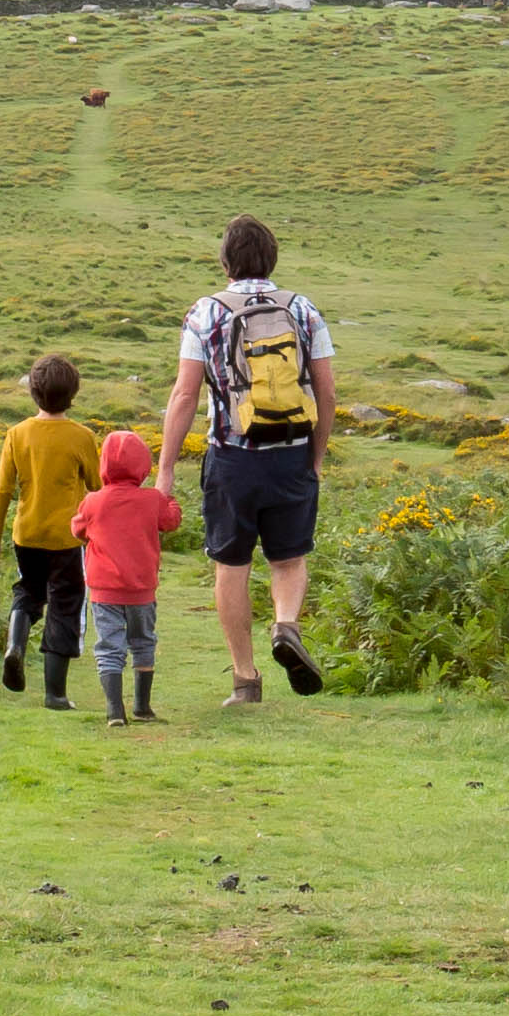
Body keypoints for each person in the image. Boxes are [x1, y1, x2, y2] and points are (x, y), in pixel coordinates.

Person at [160, 214, 333, 710]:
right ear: (272, 257)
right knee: (289, 559)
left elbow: (184, 394)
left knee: (231, 565)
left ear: (225, 261)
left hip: (231, 458)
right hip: (292, 454)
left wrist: (166, 468)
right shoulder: (303, 310)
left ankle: (245, 679)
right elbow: (326, 391)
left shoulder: (205, 312)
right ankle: (284, 625)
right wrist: (315, 456)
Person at [0, 348, 97, 708]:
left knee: (27, 592)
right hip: (67, 538)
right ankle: (55, 694)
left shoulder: (17, 434)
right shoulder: (82, 437)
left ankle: (15, 644)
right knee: (64, 605)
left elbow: (2, 491)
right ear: (72, 395)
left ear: (33, 391)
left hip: (25, 534)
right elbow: (97, 486)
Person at [73, 427, 179, 723]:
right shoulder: (151, 499)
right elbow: (172, 521)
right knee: (143, 642)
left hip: (103, 590)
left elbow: (77, 529)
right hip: (142, 590)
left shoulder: (94, 501)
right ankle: (142, 707)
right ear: (143, 466)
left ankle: (113, 709)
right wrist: (169, 499)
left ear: (103, 464)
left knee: (109, 646)